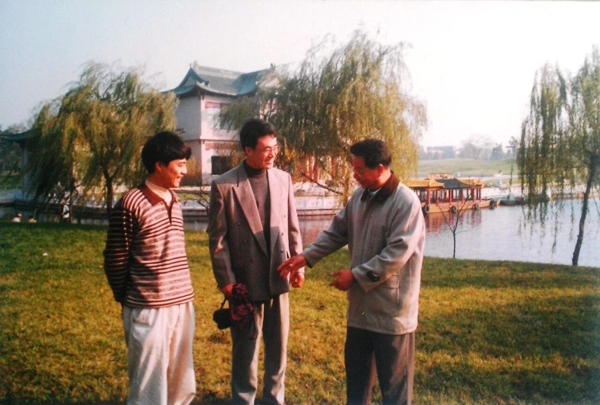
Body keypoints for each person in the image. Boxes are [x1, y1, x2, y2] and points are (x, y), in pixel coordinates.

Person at [278, 139, 426, 405]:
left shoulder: (406, 203)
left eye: (360, 171)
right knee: (357, 388)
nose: (355, 176)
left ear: (380, 169)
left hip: (392, 315)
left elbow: (396, 254)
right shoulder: (359, 197)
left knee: (395, 392)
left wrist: (355, 276)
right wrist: (306, 257)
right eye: (354, 170)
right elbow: (337, 232)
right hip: (360, 312)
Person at [207, 118, 304, 405]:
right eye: (266, 149)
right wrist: (227, 282)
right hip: (245, 284)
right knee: (245, 353)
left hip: (279, 276)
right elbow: (218, 241)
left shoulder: (283, 179)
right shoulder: (224, 186)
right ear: (247, 150)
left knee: (278, 349)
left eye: (275, 148)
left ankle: (274, 399)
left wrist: (297, 264)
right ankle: (243, 399)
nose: (273, 154)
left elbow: (292, 226)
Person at [103, 131, 196, 405]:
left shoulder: (174, 200)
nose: (185, 171)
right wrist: (129, 298)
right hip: (148, 308)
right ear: (159, 165)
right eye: (180, 165)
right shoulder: (131, 203)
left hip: (182, 304)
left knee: (181, 382)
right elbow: (115, 259)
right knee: (148, 388)